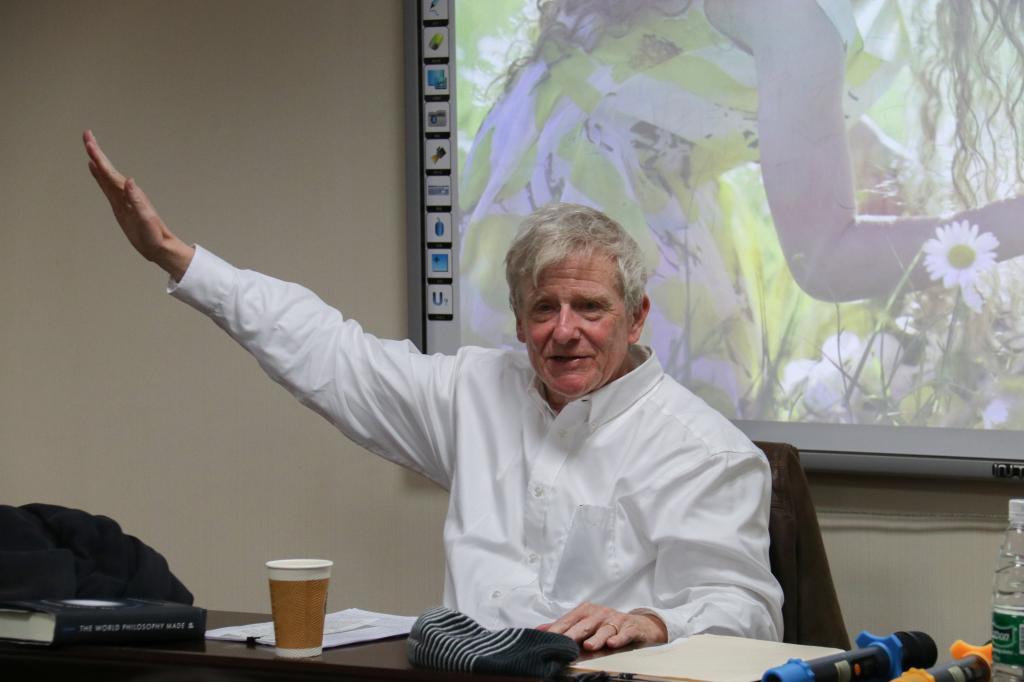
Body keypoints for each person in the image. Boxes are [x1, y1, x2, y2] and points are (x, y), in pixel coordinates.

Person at [84, 130, 783, 650]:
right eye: (544, 308)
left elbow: (748, 615)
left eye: (590, 308)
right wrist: (178, 257)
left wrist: (653, 622)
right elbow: (330, 352)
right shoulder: (474, 391)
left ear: (636, 317)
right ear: (518, 320)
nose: (564, 331)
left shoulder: (707, 452)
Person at [458, 0, 1024, 426]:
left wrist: (883, 163)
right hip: (602, 214)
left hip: (551, 177)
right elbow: (824, 258)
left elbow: (706, 79)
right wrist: (1008, 226)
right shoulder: (793, 13)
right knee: (646, 466)